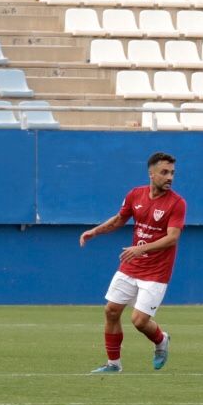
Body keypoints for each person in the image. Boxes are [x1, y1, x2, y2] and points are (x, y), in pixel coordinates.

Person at [82, 151, 185, 373]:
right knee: (111, 310)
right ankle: (113, 364)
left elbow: (172, 238)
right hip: (131, 265)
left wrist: (141, 248)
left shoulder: (177, 203)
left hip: (157, 271)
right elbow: (119, 219)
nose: (170, 177)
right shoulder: (135, 194)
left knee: (139, 321)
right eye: (164, 172)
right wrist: (94, 231)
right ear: (151, 173)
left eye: (172, 173)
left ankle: (161, 340)